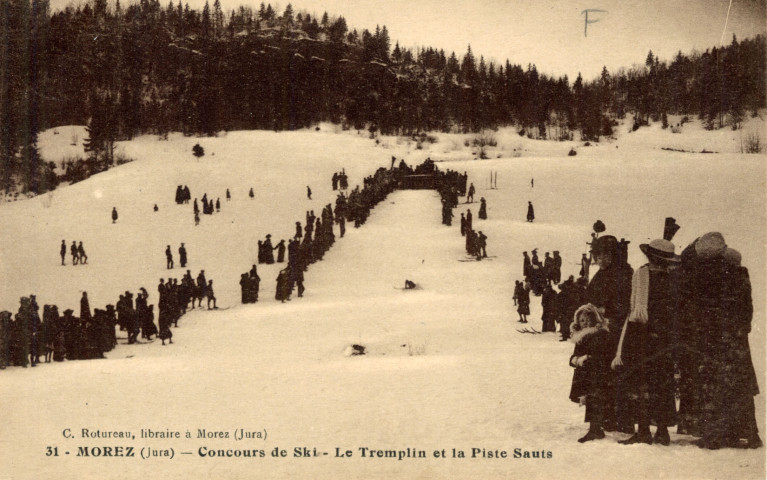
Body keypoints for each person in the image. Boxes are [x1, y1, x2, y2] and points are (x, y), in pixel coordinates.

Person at [611, 238, 680, 446]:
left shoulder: (643, 274)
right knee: (662, 382)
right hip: (665, 336)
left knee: (641, 380)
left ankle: (642, 430)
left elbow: (636, 309)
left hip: (641, 334)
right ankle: (662, 431)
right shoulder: (673, 278)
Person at [585, 235, 634, 434]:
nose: (599, 260)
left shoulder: (624, 273)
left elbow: (626, 303)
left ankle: (621, 419)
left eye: (603, 255)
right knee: (598, 375)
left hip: (617, 333)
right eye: (597, 255)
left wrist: (608, 312)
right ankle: (602, 420)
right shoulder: (600, 274)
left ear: (613, 255)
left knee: (617, 374)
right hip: (599, 332)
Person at [568, 303, 612, 443]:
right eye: (582, 320)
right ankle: (595, 428)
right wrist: (576, 360)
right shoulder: (580, 336)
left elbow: (601, 354)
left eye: (588, 319)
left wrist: (585, 358)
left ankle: (596, 429)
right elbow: (574, 356)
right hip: (586, 373)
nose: (585, 323)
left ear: (595, 319)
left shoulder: (600, 334)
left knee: (596, 399)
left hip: (597, 373)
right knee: (591, 400)